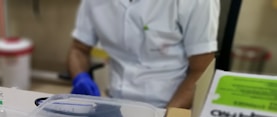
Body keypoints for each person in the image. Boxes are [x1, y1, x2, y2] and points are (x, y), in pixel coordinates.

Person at [67, 0, 219, 109]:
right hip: (113, 103)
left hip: (170, 104)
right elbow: (78, 49)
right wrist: (81, 77)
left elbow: (202, 69)